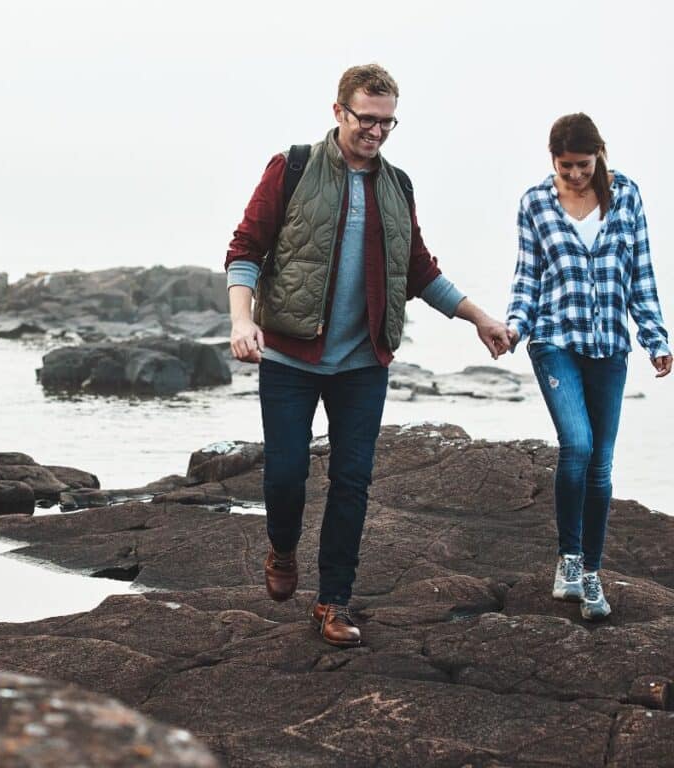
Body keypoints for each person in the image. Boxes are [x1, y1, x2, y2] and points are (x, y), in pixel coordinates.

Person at [225, 63, 510, 647]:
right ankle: (282, 548)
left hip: (362, 364)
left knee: (352, 484)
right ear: (338, 112)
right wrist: (241, 319)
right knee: (285, 476)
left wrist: (479, 318)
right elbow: (246, 249)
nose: (377, 132)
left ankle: (333, 602)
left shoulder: (396, 185)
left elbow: (419, 271)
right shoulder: (293, 167)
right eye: (367, 120)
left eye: (388, 122)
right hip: (289, 358)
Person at [506, 113, 671, 621]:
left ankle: (593, 573)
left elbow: (640, 272)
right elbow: (527, 275)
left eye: (582, 164)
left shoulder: (627, 197)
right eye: (564, 166)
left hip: (610, 346)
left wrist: (656, 338)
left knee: (601, 462)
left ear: (599, 154)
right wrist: (514, 326)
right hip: (554, 340)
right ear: (552, 160)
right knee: (576, 444)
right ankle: (569, 560)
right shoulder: (536, 202)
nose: (574, 175)